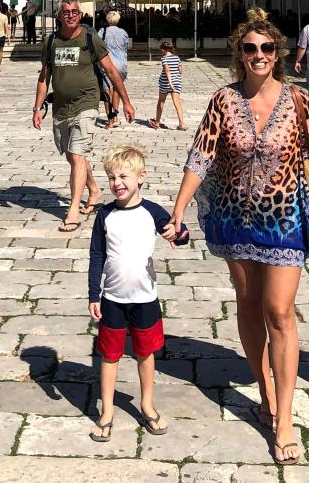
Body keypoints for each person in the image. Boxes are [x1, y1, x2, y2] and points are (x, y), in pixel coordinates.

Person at [167, 8, 309, 464]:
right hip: (235, 219)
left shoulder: (298, 102)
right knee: (249, 307)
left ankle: (285, 418)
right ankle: (267, 392)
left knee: (279, 311)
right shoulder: (223, 100)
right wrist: (176, 211)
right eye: (250, 48)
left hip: (284, 218)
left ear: (278, 54)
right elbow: (201, 158)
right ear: (239, 54)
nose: (258, 55)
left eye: (266, 48)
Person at [87, 145, 183, 442]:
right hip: (113, 299)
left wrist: (176, 234)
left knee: (145, 352)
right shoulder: (104, 215)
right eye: (111, 177)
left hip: (145, 299)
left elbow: (179, 234)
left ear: (142, 177)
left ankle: (147, 404)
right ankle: (107, 411)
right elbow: (96, 255)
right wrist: (93, 293)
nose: (116, 183)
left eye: (123, 176)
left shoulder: (151, 211)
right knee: (110, 355)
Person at [31, 0, 135, 233]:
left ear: (80, 14)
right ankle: (94, 191)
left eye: (75, 11)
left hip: (87, 104)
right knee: (71, 155)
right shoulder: (51, 41)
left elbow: (111, 70)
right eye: (66, 12)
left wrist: (126, 102)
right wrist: (37, 108)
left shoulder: (90, 38)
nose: (70, 15)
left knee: (77, 155)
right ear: (59, 16)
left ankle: (73, 211)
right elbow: (43, 78)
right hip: (60, 107)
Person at [99, 11, 130, 130]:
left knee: (108, 93)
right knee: (117, 90)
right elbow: (126, 47)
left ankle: (110, 120)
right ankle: (116, 117)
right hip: (121, 64)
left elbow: (98, 47)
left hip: (108, 64)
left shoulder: (103, 31)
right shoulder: (123, 32)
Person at [148, 41, 185, 131]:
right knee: (177, 102)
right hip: (177, 82)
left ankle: (157, 122)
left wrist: (170, 83)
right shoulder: (177, 58)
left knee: (161, 102)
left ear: (163, 50)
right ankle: (181, 124)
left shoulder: (164, 58)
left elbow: (167, 70)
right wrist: (176, 76)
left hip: (166, 83)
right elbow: (180, 70)